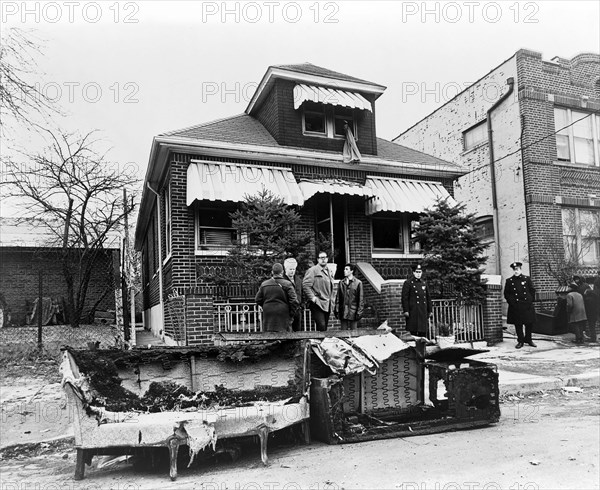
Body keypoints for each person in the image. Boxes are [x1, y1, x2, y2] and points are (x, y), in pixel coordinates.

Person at [255, 263, 298, 332]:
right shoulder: (287, 284)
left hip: (268, 312)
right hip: (283, 312)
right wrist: (291, 313)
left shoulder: (264, 284)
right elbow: (294, 301)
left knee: (268, 333)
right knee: (284, 336)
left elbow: (257, 299)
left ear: (272, 272)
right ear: (282, 272)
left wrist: (266, 305)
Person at [504, 261, 537, 349]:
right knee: (518, 325)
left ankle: (529, 339)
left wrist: (530, 300)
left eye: (517, 269)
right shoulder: (509, 281)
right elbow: (507, 294)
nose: (516, 271)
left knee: (529, 324)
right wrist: (512, 303)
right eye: (514, 269)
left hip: (527, 306)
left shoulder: (527, 279)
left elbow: (532, 290)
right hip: (516, 306)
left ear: (520, 269)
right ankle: (520, 341)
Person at [302, 251, 334, 332]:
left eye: (325, 257)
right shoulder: (313, 270)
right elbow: (306, 285)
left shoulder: (329, 271)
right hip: (318, 303)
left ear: (327, 259)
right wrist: (313, 298)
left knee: (325, 327)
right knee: (321, 326)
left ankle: (321, 343)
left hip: (327, 303)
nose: (323, 260)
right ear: (317, 259)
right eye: (321, 258)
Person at [401, 264, 432, 337]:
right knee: (414, 333)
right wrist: (406, 310)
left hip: (423, 311)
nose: (418, 274)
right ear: (414, 273)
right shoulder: (408, 283)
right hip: (413, 312)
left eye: (420, 272)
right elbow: (404, 298)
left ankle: (422, 348)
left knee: (423, 333)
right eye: (417, 272)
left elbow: (428, 298)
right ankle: (415, 348)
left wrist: (430, 310)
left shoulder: (424, 283)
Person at [334, 263, 364, 330]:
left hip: (353, 311)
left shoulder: (358, 283)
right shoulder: (341, 283)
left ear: (351, 271)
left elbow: (360, 299)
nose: (344, 271)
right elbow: (338, 298)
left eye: (346, 269)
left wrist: (359, 312)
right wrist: (337, 309)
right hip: (343, 311)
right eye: (344, 269)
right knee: (343, 333)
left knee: (354, 333)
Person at [283, 257, 303, 332]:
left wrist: (302, 305)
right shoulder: (283, 280)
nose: (292, 271)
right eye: (290, 269)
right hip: (287, 310)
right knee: (288, 331)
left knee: (298, 330)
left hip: (297, 309)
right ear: (285, 269)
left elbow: (302, 292)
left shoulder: (298, 280)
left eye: (294, 269)